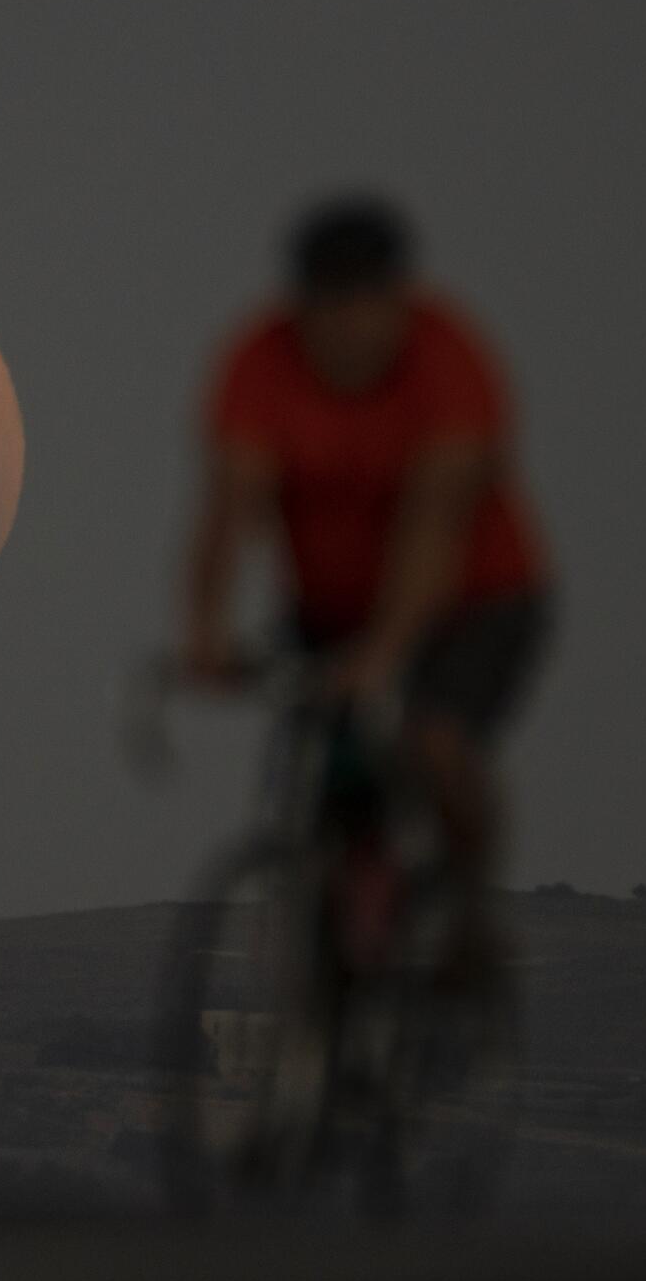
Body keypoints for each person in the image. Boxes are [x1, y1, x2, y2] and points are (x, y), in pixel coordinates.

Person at [182, 195, 551, 987]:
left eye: (367, 302)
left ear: (398, 300)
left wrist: (383, 654)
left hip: (479, 595)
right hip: (331, 603)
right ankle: (341, 959)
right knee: (324, 770)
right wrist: (205, 632)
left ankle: (469, 912)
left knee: (436, 742)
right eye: (327, 303)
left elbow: (435, 528)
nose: (348, 326)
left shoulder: (451, 360)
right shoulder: (258, 359)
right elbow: (228, 507)